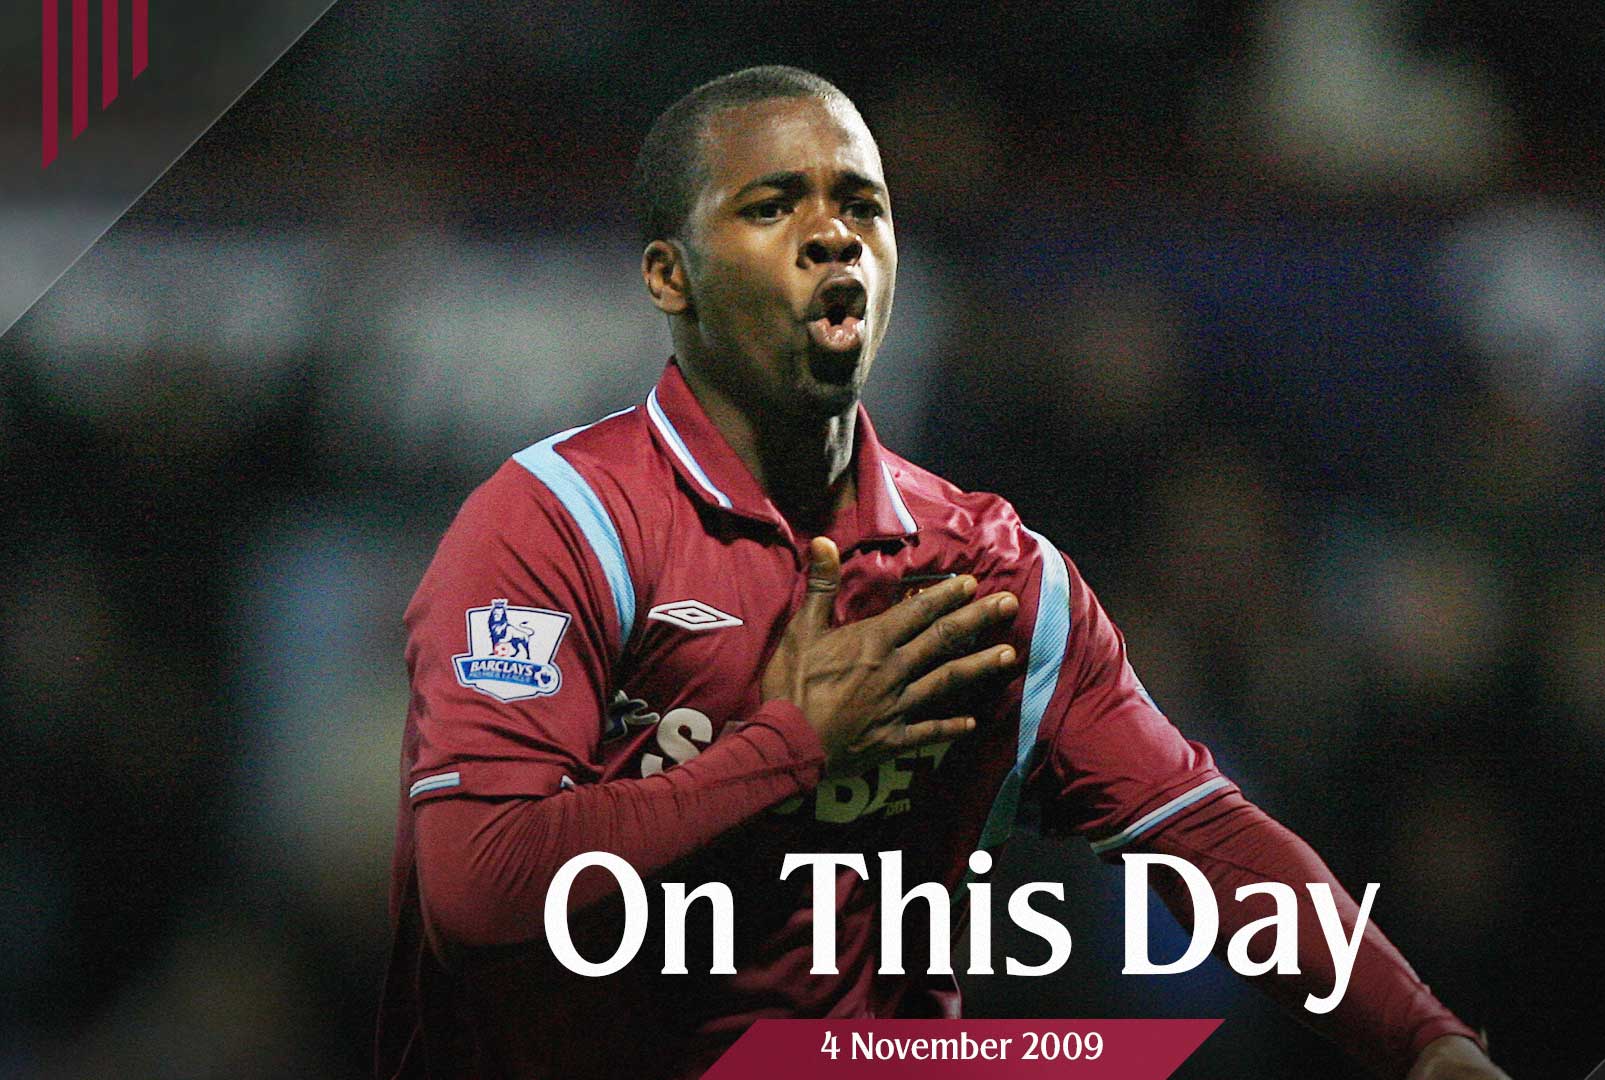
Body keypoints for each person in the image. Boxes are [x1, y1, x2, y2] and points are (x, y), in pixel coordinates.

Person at [376, 65, 1513, 1080]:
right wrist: (789, 750)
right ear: (670, 275)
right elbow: (480, 889)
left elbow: (1198, 831)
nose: (833, 239)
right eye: (774, 206)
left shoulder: (985, 568)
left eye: (861, 207)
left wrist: (1423, 1040)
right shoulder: (554, 526)